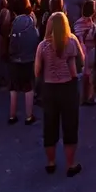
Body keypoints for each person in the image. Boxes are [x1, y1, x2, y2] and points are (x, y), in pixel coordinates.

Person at [35, 12, 83, 176]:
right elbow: (78, 66)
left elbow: (37, 71)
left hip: (49, 88)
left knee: (50, 125)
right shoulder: (71, 42)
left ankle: (51, 162)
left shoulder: (42, 46)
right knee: (70, 126)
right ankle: (71, 164)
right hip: (68, 88)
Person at [7, 0, 39, 125]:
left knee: (14, 88)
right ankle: (28, 116)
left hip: (15, 59)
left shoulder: (14, 22)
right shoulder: (31, 21)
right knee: (28, 88)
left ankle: (12, 115)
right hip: (28, 59)